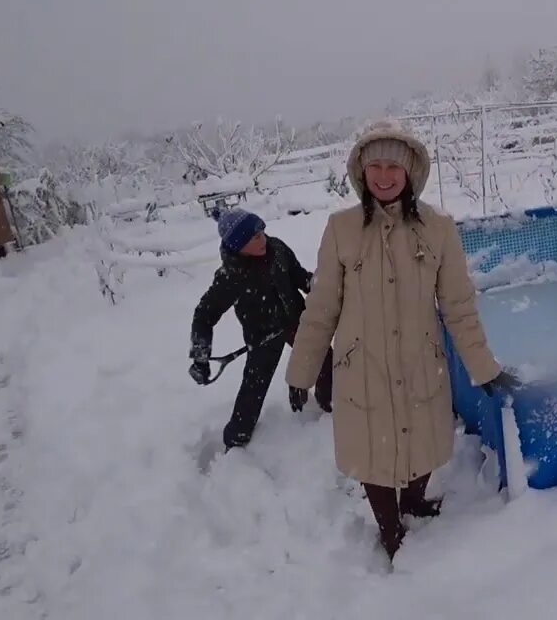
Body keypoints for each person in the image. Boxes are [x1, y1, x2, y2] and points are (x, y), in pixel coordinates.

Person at [285, 119, 520, 562]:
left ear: (411, 170)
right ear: (361, 172)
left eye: (394, 165)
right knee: (372, 451)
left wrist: (483, 368)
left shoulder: (438, 229)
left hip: (420, 362)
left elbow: (458, 306)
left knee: (423, 441)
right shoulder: (341, 229)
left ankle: (413, 501)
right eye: (374, 165)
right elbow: (320, 309)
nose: (385, 175)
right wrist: (302, 370)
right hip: (363, 366)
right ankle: (389, 528)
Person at [189, 208, 334, 450]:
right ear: (238, 245)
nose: (263, 239)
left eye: (263, 232)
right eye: (254, 237)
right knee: (254, 388)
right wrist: (200, 357)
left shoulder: (276, 249)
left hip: (296, 320)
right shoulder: (230, 276)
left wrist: (320, 287)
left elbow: (298, 276)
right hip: (263, 336)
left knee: (325, 361)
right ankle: (236, 438)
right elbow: (204, 315)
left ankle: (328, 406)